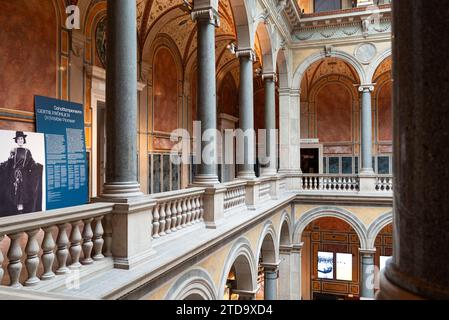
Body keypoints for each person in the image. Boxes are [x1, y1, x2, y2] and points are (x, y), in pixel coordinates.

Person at [0, 131, 43, 217]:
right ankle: (16, 216)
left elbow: (31, 162)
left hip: (24, 176)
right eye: (18, 139)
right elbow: (10, 163)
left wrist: (38, 166)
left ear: (24, 140)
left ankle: (21, 216)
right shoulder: (13, 150)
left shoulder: (27, 151)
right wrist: (9, 159)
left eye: (21, 139)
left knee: (22, 196)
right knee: (15, 196)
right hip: (14, 176)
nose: (20, 140)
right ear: (16, 140)